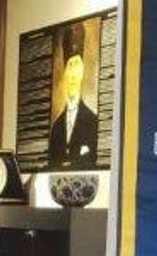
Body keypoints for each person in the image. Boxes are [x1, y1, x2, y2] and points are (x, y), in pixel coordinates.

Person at [46, 21, 99, 170]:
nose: (73, 75)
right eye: (70, 66)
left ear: (82, 72)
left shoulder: (93, 122)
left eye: (77, 66)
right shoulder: (56, 128)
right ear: (64, 72)